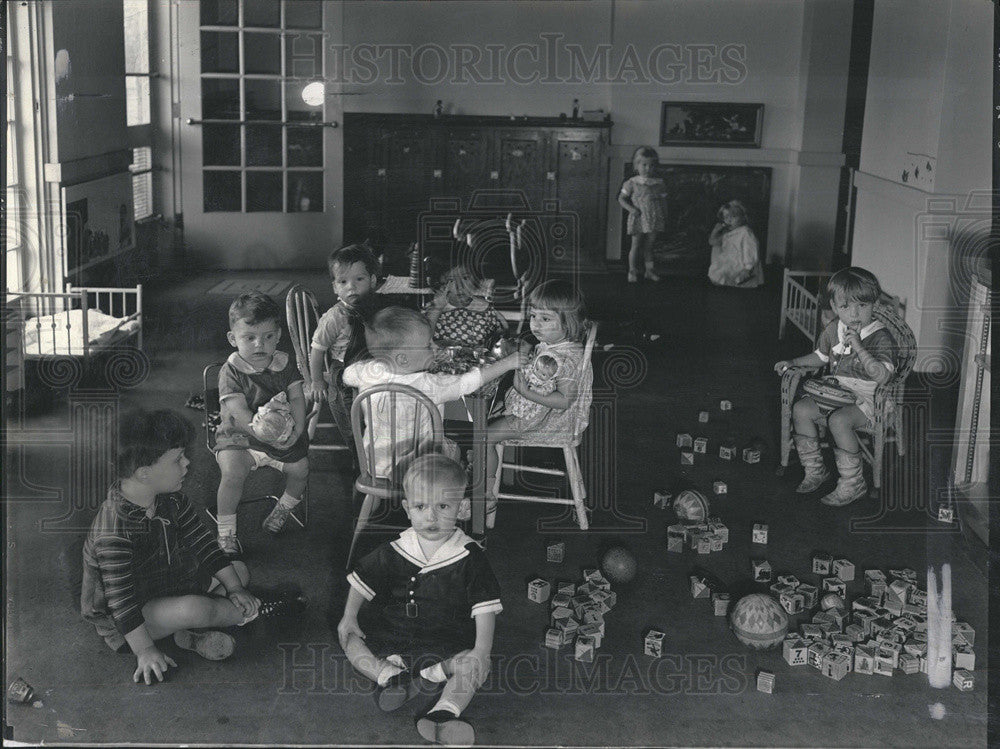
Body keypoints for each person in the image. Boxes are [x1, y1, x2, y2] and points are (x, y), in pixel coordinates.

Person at [79, 409, 305, 684]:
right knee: (194, 609)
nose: (186, 464)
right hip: (130, 622)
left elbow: (204, 545)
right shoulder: (113, 532)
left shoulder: (172, 499)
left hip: (170, 582)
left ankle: (190, 633)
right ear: (144, 473)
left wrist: (234, 587)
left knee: (238, 571)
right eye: (177, 459)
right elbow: (122, 603)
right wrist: (146, 651)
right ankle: (254, 611)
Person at [337, 455, 501, 746]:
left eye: (443, 507)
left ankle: (444, 713)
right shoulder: (397, 548)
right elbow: (361, 581)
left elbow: (485, 606)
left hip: (447, 642)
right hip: (394, 637)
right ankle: (391, 676)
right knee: (350, 642)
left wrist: (481, 650)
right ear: (407, 509)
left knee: (474, 667)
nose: (431, 517)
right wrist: (349, 616)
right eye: (421, 507)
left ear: (462, 509)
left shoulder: (470, 555)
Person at [342, 307, 523, 481]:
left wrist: (374, 363)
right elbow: (469, 382)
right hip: (422, 468)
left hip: (374, 465)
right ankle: (448, 492)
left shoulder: (366, 372)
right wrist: (507, 363)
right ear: (403, 359)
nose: (435, 348)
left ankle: (376, 500)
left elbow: (347, 375)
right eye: (428, 345)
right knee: (453, 449)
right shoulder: (427, 384)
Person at [774, 267, 897, 506]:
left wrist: (859, 347)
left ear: (875, 303)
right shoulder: (834, 328)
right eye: (845, 307)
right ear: (834, 305)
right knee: (801, 410)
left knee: (839, 421)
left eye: (862, 306)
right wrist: (793, 362)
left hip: (870, 397)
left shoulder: (881, 337)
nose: (854, 314)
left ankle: (853, 483)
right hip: (838, 392)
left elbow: (882, 377)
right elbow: (820, 357)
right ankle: (815, 470)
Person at [485, 280, 593, 527]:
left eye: (545, 319)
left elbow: (564, 400)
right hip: (536, 412)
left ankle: (486, 493)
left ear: (568, 322)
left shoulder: (561, 359)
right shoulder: (558, 345)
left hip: (547, 420)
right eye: (533, 316)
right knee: (490, 416)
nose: (535, 323)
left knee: (484, 436)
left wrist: (524, 391)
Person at [213, 292, 309, 554]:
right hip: (240, 438)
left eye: (268, 337)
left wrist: (298, 430)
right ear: (234, 339)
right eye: (250, 338)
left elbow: (298, 397)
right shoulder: (231, 370)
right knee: (232, 474)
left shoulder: (284, 364)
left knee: (301, 469)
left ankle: (283, 508)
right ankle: (227, 533)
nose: (260, 345)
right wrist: (257, 428)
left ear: (278, 336)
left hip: (280, 438)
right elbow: (237, 410)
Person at [305, 244, 384, 470]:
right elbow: (318, 349)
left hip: (371, 368)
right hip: (344, 374)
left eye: (359, 279)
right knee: (353, 423)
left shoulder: (375, 308)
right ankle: (360, 462)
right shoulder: (334, 317)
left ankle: (380, 451)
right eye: (343, 282)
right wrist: (317, 380)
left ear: (373, 281)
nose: (352, 287)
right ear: (334, 288)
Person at [425, 265, 508, 349]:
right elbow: (423, 341)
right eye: (451, 280)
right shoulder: (431, 312)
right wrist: (437, 308)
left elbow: (500, 343)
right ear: (440, 285)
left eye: (465, 278)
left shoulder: (487, 311)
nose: (460, 286)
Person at [618, 146, 667, 283]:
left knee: (649, 246)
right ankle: (632, 271)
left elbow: (663, 201)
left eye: (651, 165)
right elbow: (621, 199)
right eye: (644, 165)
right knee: (636, 245)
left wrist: (664, 215)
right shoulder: (632, 183)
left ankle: (649, 271)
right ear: (637, 165)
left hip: (654, 218)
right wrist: (631, 209)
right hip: (638, 217)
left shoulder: (659, 183)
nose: (647, 168)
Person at [707, 200, 763, 288]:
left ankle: (741, 280)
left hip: (741, 262)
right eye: (726, 217)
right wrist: (715, 231)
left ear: (743, 217)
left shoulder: (745, 231)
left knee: (723, 273)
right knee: (716, 271)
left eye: (733, 216)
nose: (729, 220)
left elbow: (750, 250)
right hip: (729, 259)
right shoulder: (727, 232)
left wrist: (748, 268)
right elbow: (713, 242)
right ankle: (728, 283)